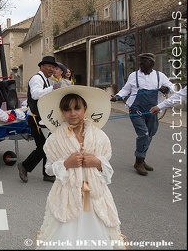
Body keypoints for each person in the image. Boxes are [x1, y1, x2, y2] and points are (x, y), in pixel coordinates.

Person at [34, 85, 126, 249]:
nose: (73, 113)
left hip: (95, 196)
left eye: (77, 108)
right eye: (67, 109)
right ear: (62, 112)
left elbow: (108, 169)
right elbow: (48, 169)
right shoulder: (55, 139)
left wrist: (97, 163)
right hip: (67, 196)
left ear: (85, 109)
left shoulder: (99, 136)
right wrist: (65, 164)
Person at [111, 53, 174, 176]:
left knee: (150, 134)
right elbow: (126, 89)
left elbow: (171, 87)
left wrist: (166, 89)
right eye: (140, 62)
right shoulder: (134, 76)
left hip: (153, 111)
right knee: (144, 134)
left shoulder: (159, 76)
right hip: (136, 110)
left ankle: (142, 158)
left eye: (144, 61)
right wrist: (117, 96)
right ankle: (138, 161)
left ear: (152, 63)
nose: (140, 64)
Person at [17, 55, 59, 183]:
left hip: (42, 117)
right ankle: (24, 166)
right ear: (42, 66)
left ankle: (47, 173)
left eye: (53, 67)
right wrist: (52, 88)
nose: (51, 69)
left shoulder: (46, 80)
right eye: (49, 66)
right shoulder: (37, 78)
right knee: (43, 147)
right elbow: (35, 94)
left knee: (48, 145)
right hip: (35, 117)